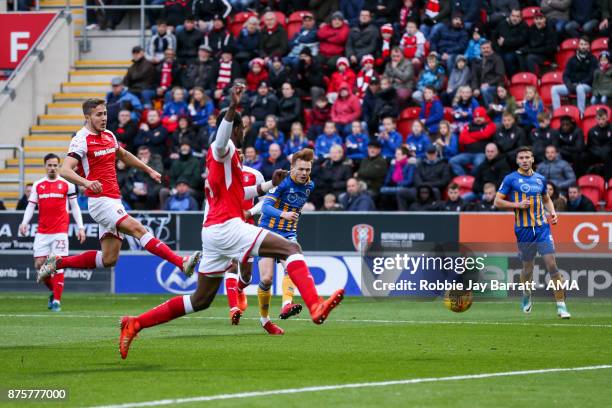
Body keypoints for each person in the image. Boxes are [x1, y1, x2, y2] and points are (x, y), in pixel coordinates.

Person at [119, 85, 345, 359]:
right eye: (242, 128)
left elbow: (239, 195)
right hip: (227, 226)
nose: (244, 133)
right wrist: (232, 107)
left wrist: (266, 186)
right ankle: (315, 306)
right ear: (237, 129)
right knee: (290, 249)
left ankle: (136, 323)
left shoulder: (228, 162)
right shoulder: (222, 149)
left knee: (200, 300)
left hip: (213, 231)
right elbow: (221, 137)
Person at [38, 99, 201, 284]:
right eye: (99, 114)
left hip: (114, 200)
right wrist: (87, 182)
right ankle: (181, 262)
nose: (104, 118)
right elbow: (64, 170)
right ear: (87, 117)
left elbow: (123, 155)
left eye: (105, 113)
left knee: (109, 259)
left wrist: (148, 169)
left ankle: (58, 262)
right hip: (100, 202)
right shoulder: (81, 140)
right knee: (139, 229)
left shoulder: (108, 135)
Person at [494, 146, 570, 319]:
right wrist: (516, 205)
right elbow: (497, 201)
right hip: (524, 230)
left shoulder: (540, 179)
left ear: (533, 159)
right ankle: (527, 294)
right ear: (517, 161)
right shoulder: (510, 179)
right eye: (521, 158)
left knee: (552, 265)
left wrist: (553, 212)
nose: (525, 160)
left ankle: (561, 306)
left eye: (528, 157)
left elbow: (546, 198)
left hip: (543, 228)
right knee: (528, 269)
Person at [254, 149, 316, 334]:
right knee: (266, 279)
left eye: (307, 169)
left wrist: (291, 217)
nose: (304, 173)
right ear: (292, 168)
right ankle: (264, 319)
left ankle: (287, 305)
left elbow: (295, 207)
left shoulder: (309, 186)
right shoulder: (282, 182)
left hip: (288, 234)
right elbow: (265, 206)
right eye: (301, 169)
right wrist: (283, 214)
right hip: (267, 232)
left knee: (293, 267)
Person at [19, 154, 86, 312]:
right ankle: (53, 291)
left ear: (59, 166)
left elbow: (75, 207)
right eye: (49, 165)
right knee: (40, 267)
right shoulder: (38, 185)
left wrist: (81, 227)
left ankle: (57, 301)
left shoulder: (67, 184)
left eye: (55, 165)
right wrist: (24, 222)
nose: (52, 168)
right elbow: (30, 206)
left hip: (60, 232)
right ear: (45, 166)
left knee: (58, 264)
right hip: (42, 231)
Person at [551, 37, 598, 115]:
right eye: (581, 44)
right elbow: (565, 75)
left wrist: (579, 84)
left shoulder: (593, 59)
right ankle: (557, 113)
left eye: (585, 44)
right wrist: (569, 85)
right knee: (554, 89)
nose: (583, 46)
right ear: (578, 45)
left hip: (587, 86)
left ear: (589, 46)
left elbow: (591, 77)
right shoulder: (572, 59)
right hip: (572, 85)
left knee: (580, 88)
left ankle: (581, 114)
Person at [398, 144, 452, 209]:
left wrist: (428, 185)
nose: (431, 155)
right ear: (426, 154)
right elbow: (416, 177)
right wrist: (422, 186)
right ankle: (403, 216)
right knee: (401, 192)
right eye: (429, 153)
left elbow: (444, 181)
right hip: (419, 189)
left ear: (436, 153)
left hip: (433, 189)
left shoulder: (443, 165)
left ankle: (437, 215)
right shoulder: (421, 164)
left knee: (436, 191)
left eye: (433, 153)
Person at [449, 107, 496, 176]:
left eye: (480, 117)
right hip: (467, 153)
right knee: (452, 161)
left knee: (478, 164)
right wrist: (479, 137)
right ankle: (464, 178)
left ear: (484, 117)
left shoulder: (489, 125)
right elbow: (462, 139)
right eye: (476, 117)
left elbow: (485, 135)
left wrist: (470, 136)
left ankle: (473, 179)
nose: (478, 119)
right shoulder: (468, 126)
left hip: (481, 153)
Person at [492, 8, 528, 77]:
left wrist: (505, 42)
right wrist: (496, 47)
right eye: (513, 16)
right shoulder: (503, 23)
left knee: (508, 58)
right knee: (495, 56)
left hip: (515, 50)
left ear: (521, 18)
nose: (515, 18)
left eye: (517, 16)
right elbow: (494, 36)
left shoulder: (524, 26)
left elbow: (521, 40)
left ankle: (513, 78)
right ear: (510, 16)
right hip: (501, 49)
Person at [471, 41, 506, 107]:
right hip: (480, 86)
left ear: (491, 48)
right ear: (480, 50)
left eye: (487, 48)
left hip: (494, 85)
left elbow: (500, 76)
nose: (485, 50)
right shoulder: (477, 61)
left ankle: (491, 109)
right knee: (466, 91)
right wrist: (475, 88)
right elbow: (474, 77)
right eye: (483, 48)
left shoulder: (497, 58)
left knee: (484, 89)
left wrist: (488, 84)